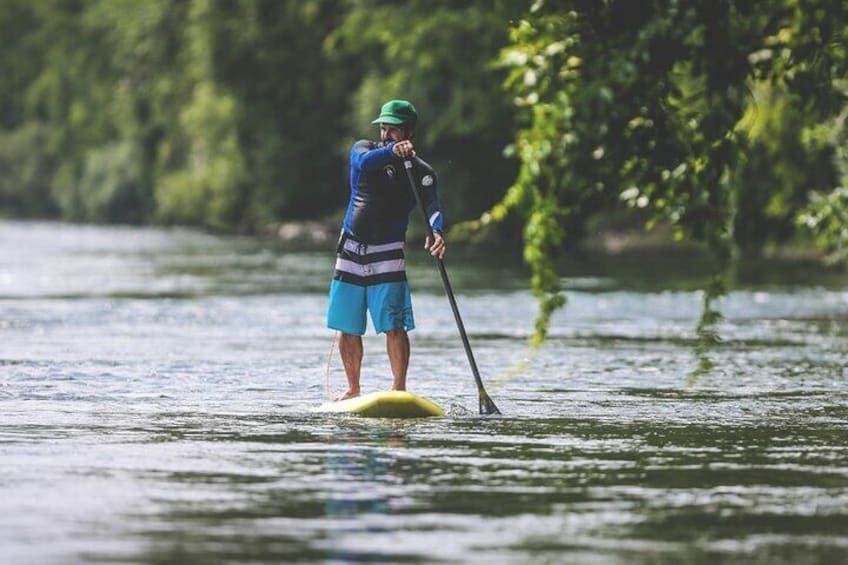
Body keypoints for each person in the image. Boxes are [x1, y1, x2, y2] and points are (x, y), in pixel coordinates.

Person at [327, 99, 445, 400]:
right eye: (384, 127)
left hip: (389, 252)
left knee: (394, 324)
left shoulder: (421, 172)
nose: (386, 132)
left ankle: (399, 388)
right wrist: (391, 151)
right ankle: (353, 389)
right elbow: (366, 163)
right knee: (348, 326)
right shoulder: (363, 150)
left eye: (394, 129)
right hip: (351, 248)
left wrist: (437, 231)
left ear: (409, 131)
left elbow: (432, 207)